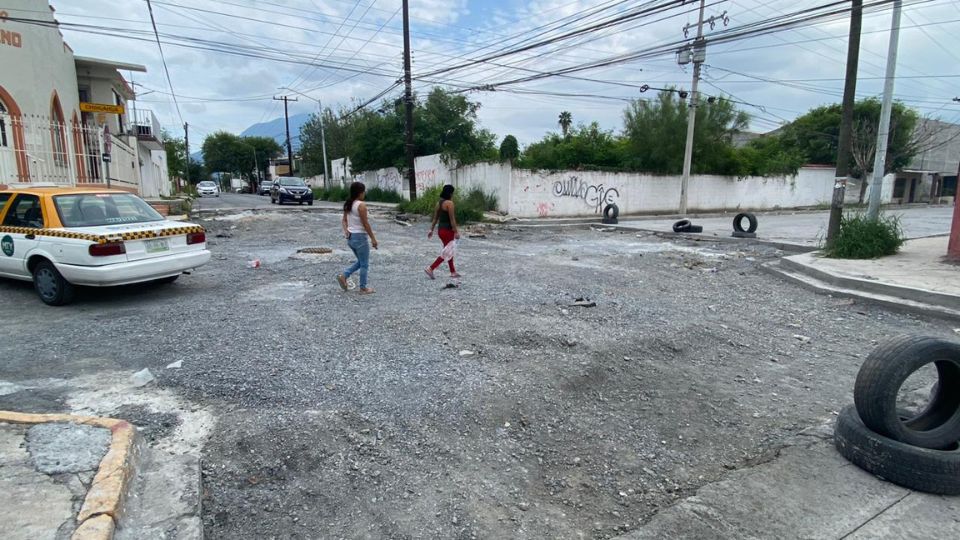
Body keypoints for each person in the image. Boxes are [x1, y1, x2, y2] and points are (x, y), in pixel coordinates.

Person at [337, 182, 378, 294]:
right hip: (360, 238)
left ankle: (344, 275)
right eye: (363, 191)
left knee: (361, 262)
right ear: (360, 192)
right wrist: (373, 238)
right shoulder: (361, 205)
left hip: (351, 238)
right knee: (364, 264)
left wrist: (346, 231)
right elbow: (365, 224)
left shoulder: (348, 204)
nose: (364, 194)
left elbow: (344, 220)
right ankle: (363, 287)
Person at [425, 184, 462, 279]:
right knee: (447, 252)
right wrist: (456, 231)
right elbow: (452, 219)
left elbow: (435, 219)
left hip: (441, 231)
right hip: (448, 231)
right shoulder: (449, 203)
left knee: (449, 250)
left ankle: (453, 272)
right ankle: (431, 268)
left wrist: (431, 230)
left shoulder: (439, 203)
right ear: (450, 193)